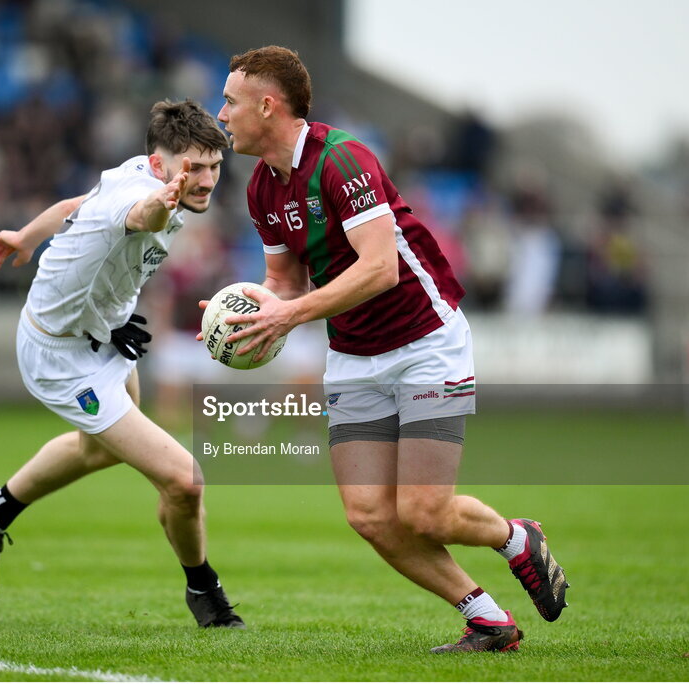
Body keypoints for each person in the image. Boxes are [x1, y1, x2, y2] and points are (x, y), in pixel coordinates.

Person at [209, 46, 568, 652]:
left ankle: (516, 539)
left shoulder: (342, 159)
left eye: (230, 101)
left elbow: (379, 270)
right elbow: (285, 285)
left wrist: (290, 314)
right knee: (371, 516)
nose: (221, 114)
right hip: (353, 355)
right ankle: (487, 618)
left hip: (425, 341)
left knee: (425, 513)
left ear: (267, 106)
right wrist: (242, 317)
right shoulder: (261, 190)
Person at [0, 99, 244, 629]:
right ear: (160, 167)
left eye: (214, 167)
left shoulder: (134, 170)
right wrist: (162, 202)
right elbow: (140, 215)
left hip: (101, 334)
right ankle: (205, 591)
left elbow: (75, 205)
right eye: (193, 168)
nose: (205, 180)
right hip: (60, 356)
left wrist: (25, 235)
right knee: (185, 481)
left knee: (98, 450)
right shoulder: (143, 196)